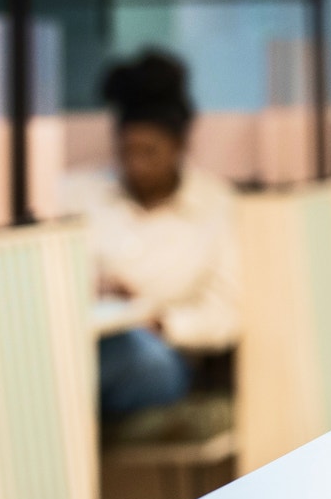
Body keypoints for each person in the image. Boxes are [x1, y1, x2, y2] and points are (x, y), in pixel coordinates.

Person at [82, 50, 241, 418]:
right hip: (89, 337)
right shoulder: (81, 196)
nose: (137, 165)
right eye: (127, 152)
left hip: (163, 356)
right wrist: (95, 288)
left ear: (179, 146)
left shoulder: (216, 206)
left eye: (150, 152)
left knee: (131, 356)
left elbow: (226, 313)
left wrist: (159, 321)